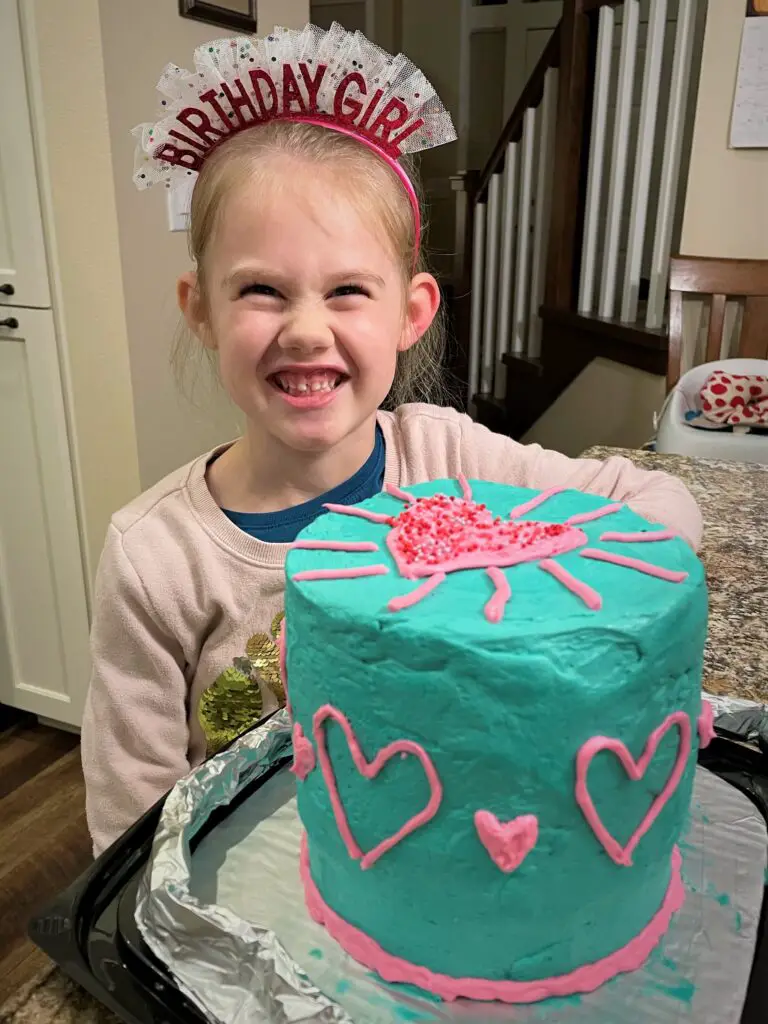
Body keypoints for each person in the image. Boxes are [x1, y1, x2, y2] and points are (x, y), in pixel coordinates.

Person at [81, 25, 702, 858]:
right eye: (261, 289)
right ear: (200, 309)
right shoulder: (157, 558)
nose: (307, 330)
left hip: (442, 868)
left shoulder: (447, 458)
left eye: (348, 291)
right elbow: (129, 827)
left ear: (410, 312)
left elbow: (658, 502)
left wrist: (554, 612)